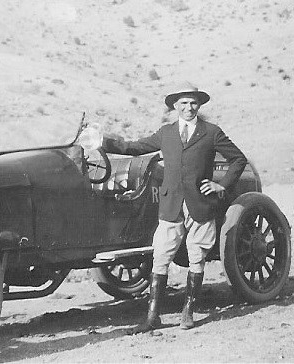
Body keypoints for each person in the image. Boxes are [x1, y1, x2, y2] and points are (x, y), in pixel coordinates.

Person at [85, 81, 247, 332]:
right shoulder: (166, 132)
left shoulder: (212, 132)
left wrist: (221, 186)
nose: (189, 108)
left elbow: (238, 159)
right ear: (175, 106)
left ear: (199, 105)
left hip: (200, 205)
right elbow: (134, 148)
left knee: (196, 256)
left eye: (193, 103)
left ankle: (188, 312)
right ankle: (152, 317)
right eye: (183, 103)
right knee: (160, 256)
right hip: (171, 205)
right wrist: (102, 142)